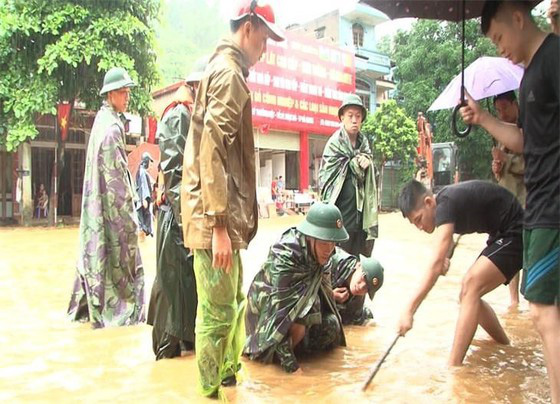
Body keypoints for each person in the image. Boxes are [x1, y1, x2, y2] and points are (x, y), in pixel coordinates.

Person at [180, 0, 284, 397]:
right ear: (249, 27)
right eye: (265, 37)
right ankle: (208, 393)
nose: (266, 47)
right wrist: (219, 225)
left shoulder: (224, 70)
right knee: (217, 313)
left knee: (233, 302)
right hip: (213, 222)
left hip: (217, 219)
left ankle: (227, 379)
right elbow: (213, 150)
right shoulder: (228, 75)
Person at [460, 2, 559, 400]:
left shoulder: (553, 57)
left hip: (552, 208)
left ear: (519, 18)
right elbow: (526, 141)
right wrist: (483, 119)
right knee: (545, 312)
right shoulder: (529, 76)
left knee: (542, 310)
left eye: (499, 37)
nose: (500, 47)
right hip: (539, 208)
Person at [397, 180, 523, 366]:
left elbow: (435, 263)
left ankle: (453, 368)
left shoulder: (445, 204)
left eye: (418, 219)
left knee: (471, 286)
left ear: (429, 203)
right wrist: (446, 254)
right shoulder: (445, 201)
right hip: (500, 233)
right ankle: (505, 345)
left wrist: (409, 310)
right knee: (467, 294)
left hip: (516, 231)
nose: (420, 227)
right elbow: (445, 245)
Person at [67, 67, 144, 328]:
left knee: (93, 255)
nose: (127, 98)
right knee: (122, 258)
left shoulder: (102, 121)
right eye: (123, 93)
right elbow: (117, 184)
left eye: (128, 93)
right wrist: (131, 221)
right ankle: (121, 312)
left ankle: (88, 310)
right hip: (109, 212)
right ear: (111, 94)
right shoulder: (111, 129)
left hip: (95, 212)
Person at [146, 57, 207, 360]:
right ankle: (166, 360)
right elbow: (175, 175)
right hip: (176, 218)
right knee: (172, 297)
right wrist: (188, 226)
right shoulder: (180, 115)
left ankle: (176, 364)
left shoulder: (187, 114)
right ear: (195, 86)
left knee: (182, 293)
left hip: (180, 217)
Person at [244, 203, 348, 373]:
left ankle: (302, 355)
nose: (329, 250)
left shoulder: (323, 254)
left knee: (331, 325)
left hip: (292, 319)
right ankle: (277, 358)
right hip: (263, 322)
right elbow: (277, 317)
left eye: (333, 242)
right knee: (305, 312)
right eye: (324, 242)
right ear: (310, 237)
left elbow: (323, 288)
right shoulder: (285, 258)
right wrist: (292, 369)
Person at [319, 93, 378, 324]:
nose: (354, 120)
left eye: (358, 116)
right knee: (336, 264)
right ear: (342, 118)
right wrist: (353, 164)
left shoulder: (365, 145)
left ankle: (354, 314)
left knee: (360, 265)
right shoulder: (334, 145)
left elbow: (370, 183)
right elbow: (327, 181)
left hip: (360, 221)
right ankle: (333, 309)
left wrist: (367, 163)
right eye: (350, 115)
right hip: (338, 220)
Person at [491, 91, 526, 308]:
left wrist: (508, 160)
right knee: (511, 253)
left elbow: (535, 164)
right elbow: (501, 171)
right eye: (497, 110)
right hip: (506, 203)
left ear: (515, 105)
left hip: (526, 201)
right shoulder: (500, 134)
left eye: (505, 108)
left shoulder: (527, 130)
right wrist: (497, 167)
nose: (501, 113)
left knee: (527, 252)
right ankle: (514, 302)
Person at [330, 247, 384, 325]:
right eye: (363, 277)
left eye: (367, 288)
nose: (361, 287)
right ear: (358, 265)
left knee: (367, 317)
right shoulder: (333, 261)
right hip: (313, 301)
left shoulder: (359, 295)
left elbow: (352, 320)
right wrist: (330, 295)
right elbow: (308, 289)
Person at [136, 152, 154, 237]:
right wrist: (145, 198)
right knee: (143, 227)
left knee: (143, 225)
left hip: (141, 202)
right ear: (146, 161)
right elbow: (143, 185)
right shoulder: (142, 172)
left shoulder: (142, 171)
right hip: (142, 202)